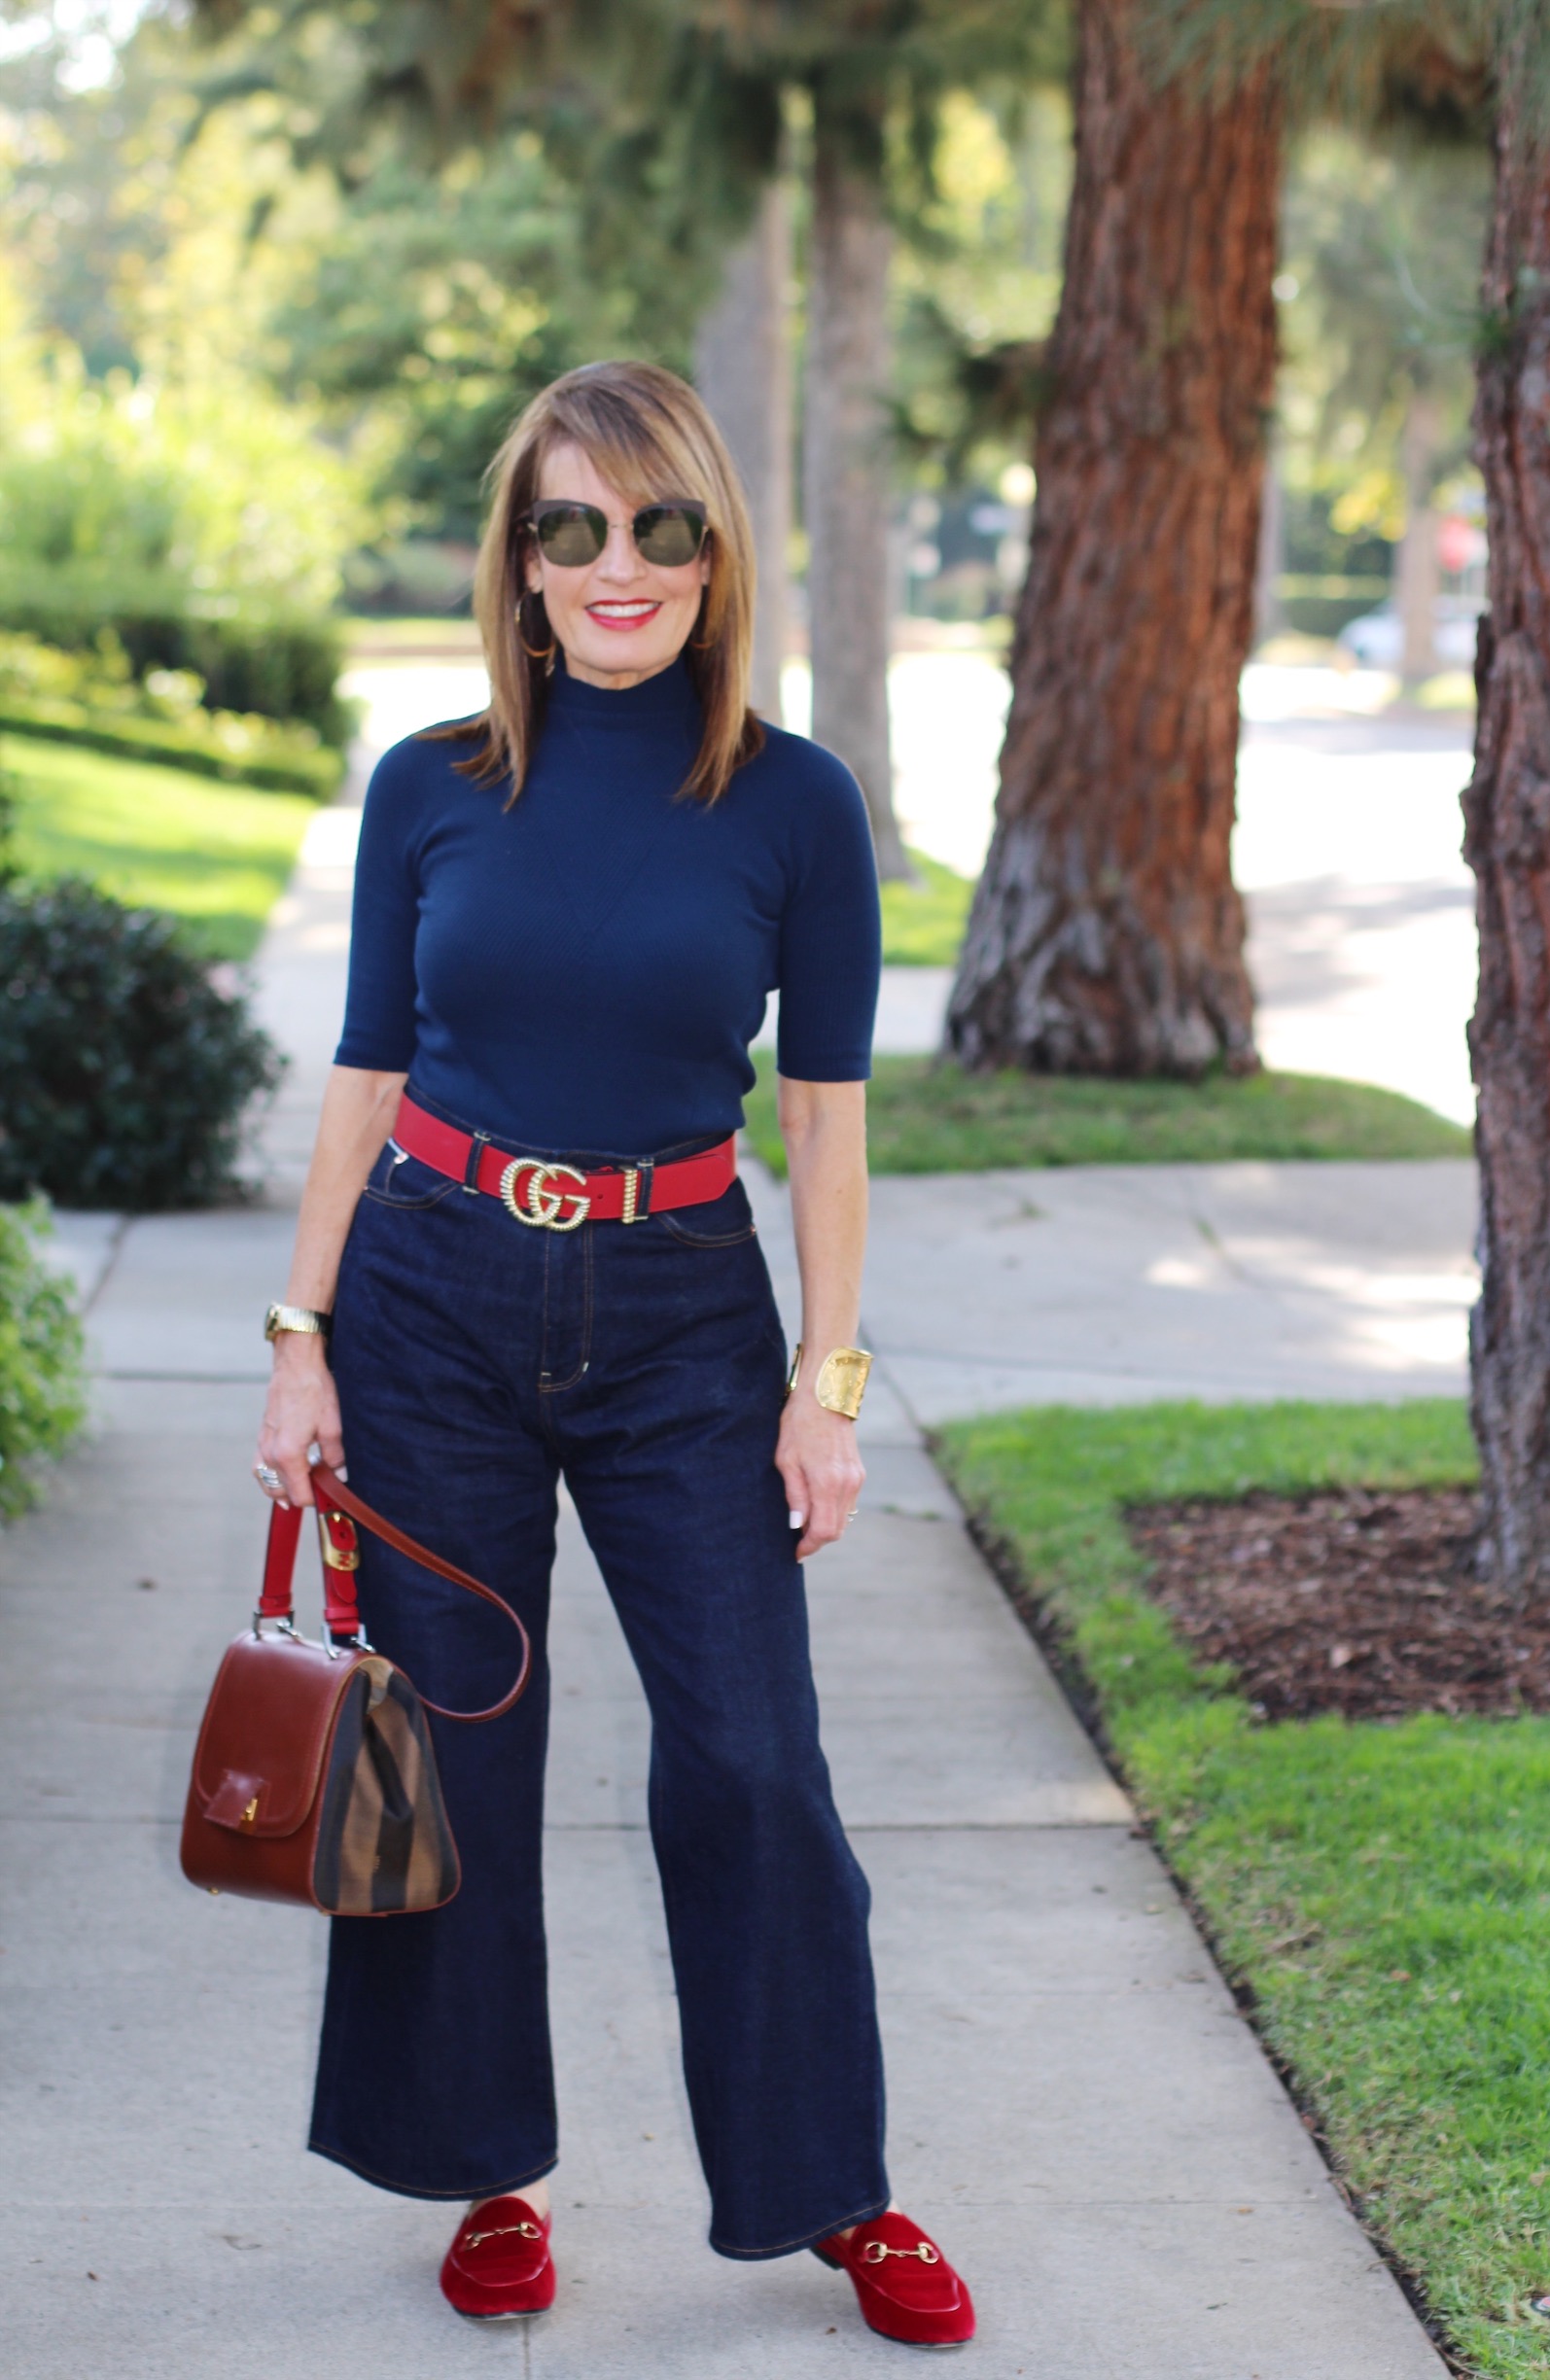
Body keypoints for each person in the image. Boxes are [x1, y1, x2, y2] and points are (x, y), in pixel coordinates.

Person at [253, 359, 974, 2350]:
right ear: (524, 557)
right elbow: (367, 1071)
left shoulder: (795, 805)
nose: (620, 566)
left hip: (679, 1318)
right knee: (461, 1761)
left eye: (661, 525)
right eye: (574, 528)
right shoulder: (431, 783)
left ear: (715, 548)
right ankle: (492, 2170)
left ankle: (835, 2189)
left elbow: (823, 1119)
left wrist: (828, 1388)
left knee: (751, 1759)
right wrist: (299, 1341)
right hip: (428, 1299)